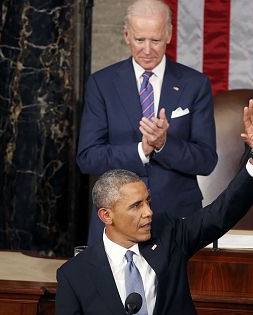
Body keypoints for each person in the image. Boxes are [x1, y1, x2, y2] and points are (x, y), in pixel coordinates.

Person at [56, 99, 253, 315]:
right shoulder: (74, 275)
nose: (148, 212)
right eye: (136, 206)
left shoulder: (170, 235)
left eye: (147, 202)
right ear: (106, 215)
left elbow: (223, 212)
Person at [77, 0, 217, 245]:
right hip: (117, 222)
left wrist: (164, 144)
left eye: (155, 40)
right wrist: (141, 150)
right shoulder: (102, 84)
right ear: (127, 36)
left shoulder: (195, 84)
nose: (148, 49)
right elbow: (88, 158)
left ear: (169, 35)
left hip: (176, 220)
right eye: (140, 40)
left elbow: (206, 160)